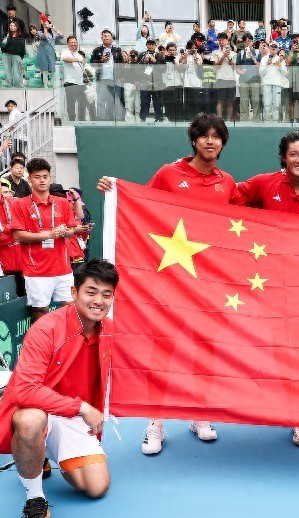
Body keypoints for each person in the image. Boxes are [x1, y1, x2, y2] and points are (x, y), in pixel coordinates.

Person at [96, 114, 239, 455]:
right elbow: (139, 205)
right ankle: (156, 420)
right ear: (193, 141)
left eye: (216, 137)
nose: (210, 141)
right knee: (166, 349)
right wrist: (116, 191)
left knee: (205, 348)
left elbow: (239, 224)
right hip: (169, 280)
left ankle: (197, 413)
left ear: (223, 143)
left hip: (209, 283)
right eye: (203, 136)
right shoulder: (169, 173)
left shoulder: (228, 182)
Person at [0, 259, 118, 518]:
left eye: (106, 294)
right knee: (30, 420)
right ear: (74, 293)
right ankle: (35, 499)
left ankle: (41, 452)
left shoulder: (107, 329)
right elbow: (24, 390)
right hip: (44, 410)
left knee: (97, 488)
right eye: (91, 292)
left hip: (71, 416)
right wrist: (82, 408)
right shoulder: (46, 328)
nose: (98, 301)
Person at [234, 130, 299, 446]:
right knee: (259, 346)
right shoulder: (262, 184)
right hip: (262, 284)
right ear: (284, 157)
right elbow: (223, 201)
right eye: (293, 154)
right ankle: (256, 404)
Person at [11, 159, 84, 322]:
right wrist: (48, 235)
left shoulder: (63, 203)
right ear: (29, 179)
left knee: (70, 308)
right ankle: (41, 345)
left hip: (63, 267)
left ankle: (67, 344)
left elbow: (72, 230)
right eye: (37, 177)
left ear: (50, 178)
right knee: (41, 310)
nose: (42, 180)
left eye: (45, 176)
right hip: (36, 269)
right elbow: (17, 235)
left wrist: (66, 232)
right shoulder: (20, 204)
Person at [91, 29, 128, 121]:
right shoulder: (97, 50)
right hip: (102, 80)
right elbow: (92, 63)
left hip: (115, 79)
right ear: (101, 38)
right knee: (101, 101)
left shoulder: (117, 50)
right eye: (105, 36)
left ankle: (118, 121)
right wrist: (101, 60)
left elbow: (121, 64)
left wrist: (122, 77)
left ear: (112, 38)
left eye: (108, 36)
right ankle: (101, 122)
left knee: (117, 102)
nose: (107, 37)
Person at [209, 33, 237, 121]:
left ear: (227, 40)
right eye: (219, 40)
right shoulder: (215, 53)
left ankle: (228, 120)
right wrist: (223, 56)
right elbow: (215, 66)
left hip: (230, 79)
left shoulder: (233, 53)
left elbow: (234, 66)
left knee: (230, 102)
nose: (221, 42)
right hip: (220, 79)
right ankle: (219, 121)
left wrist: (228, 56)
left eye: (223, 40)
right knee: (220, 100)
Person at [61, 36, 88, 122]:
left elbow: (83, 66)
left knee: (82, 104)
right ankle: (71, 121)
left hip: (81, 83)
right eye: (71, 42)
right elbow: (65, 59)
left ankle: (82, 121)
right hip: (70, 82)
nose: (73, 44)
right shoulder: (65, 52)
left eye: (75, 42)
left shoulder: (79, 54)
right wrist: (78, 60)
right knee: (71, 104)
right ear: (68, 44)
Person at [237, 36, 262, 121]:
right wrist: (240, 72)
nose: (248, 43)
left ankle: (256, 121)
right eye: (246, 41)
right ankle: (243, 121)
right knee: (243, 102)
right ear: (244, 43)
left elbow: (260, 67)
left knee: (256, 102)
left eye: (249, 41)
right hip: (244, 80)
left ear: (252, 42)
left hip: (255, 80)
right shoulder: (240, 53)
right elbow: (237, 67)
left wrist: (252, 57)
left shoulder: (258, 52)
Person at [260, 42, 286, 122]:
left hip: (277, 84)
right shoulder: (264, 59)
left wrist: (280, 65)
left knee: (276, 105)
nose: (273, 48)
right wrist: (267, 64)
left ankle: (275, 123)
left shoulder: (280, 59)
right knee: (267, 105)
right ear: (269, 48)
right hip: (267, 84)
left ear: (277, 49)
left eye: (275, 47)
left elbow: (285, 72)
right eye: (272, 47)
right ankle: (266, 123)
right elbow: (261, 73)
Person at [35, 16, 63, 88]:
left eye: (48, 23)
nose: (47, 24)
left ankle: (55, 85)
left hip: (51, 53)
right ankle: (45, 86)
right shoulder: (39, 32)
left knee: (53, 69)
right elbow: (45, 36)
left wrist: (53, 28)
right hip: (43, 53)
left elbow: (62, 36)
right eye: (45, 23)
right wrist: (45, 27)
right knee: (45, 70)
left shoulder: (53, 34)